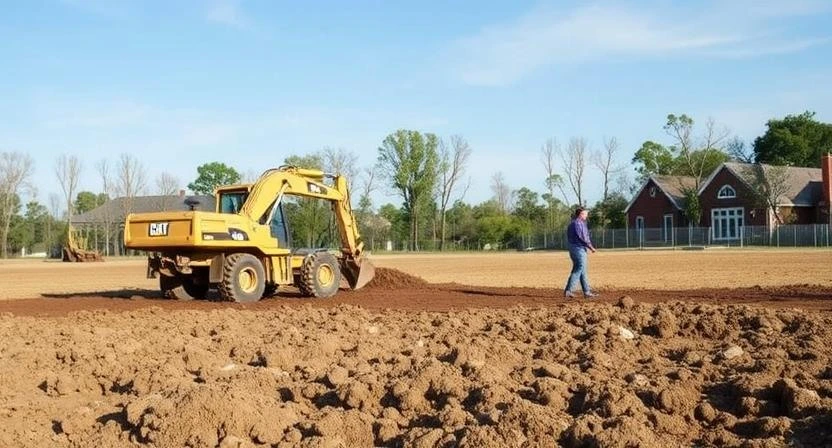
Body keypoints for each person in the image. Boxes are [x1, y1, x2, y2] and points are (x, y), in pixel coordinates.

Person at [564, 206, 597, 298]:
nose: (587, 215)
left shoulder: (573, 223)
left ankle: (586, 292)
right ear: (581, 214)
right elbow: (583, 237)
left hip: (574, 249)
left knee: (582, 270)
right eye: (586, 213)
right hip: (578, 249)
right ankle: (569, 291)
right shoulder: (578, 224)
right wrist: (591, 247)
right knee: (579, 269)